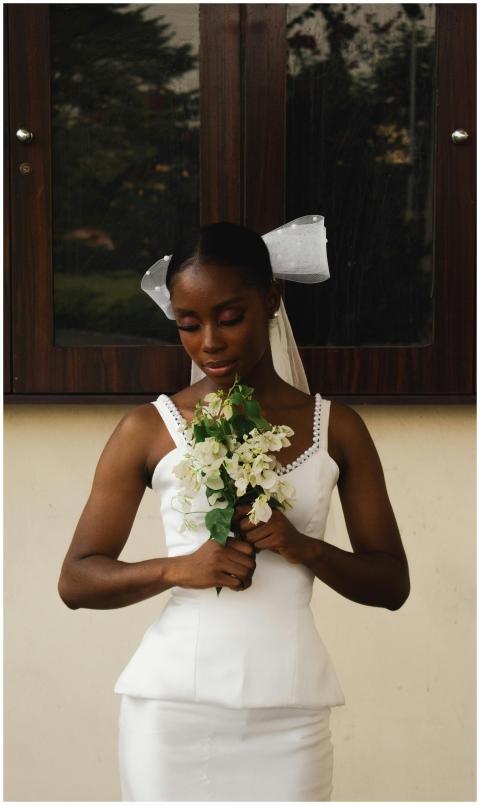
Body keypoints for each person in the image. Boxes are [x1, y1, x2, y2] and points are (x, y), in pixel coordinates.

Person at [58, 218, 410, 802]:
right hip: (170, 713)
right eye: (188, 325)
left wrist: (304, 547)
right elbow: (76, 579)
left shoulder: (337, 429)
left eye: (229, 317)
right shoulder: (147, 429)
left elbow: (391, 583)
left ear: (272, 299)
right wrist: (177, 569)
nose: (210, 343)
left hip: (290, 714)